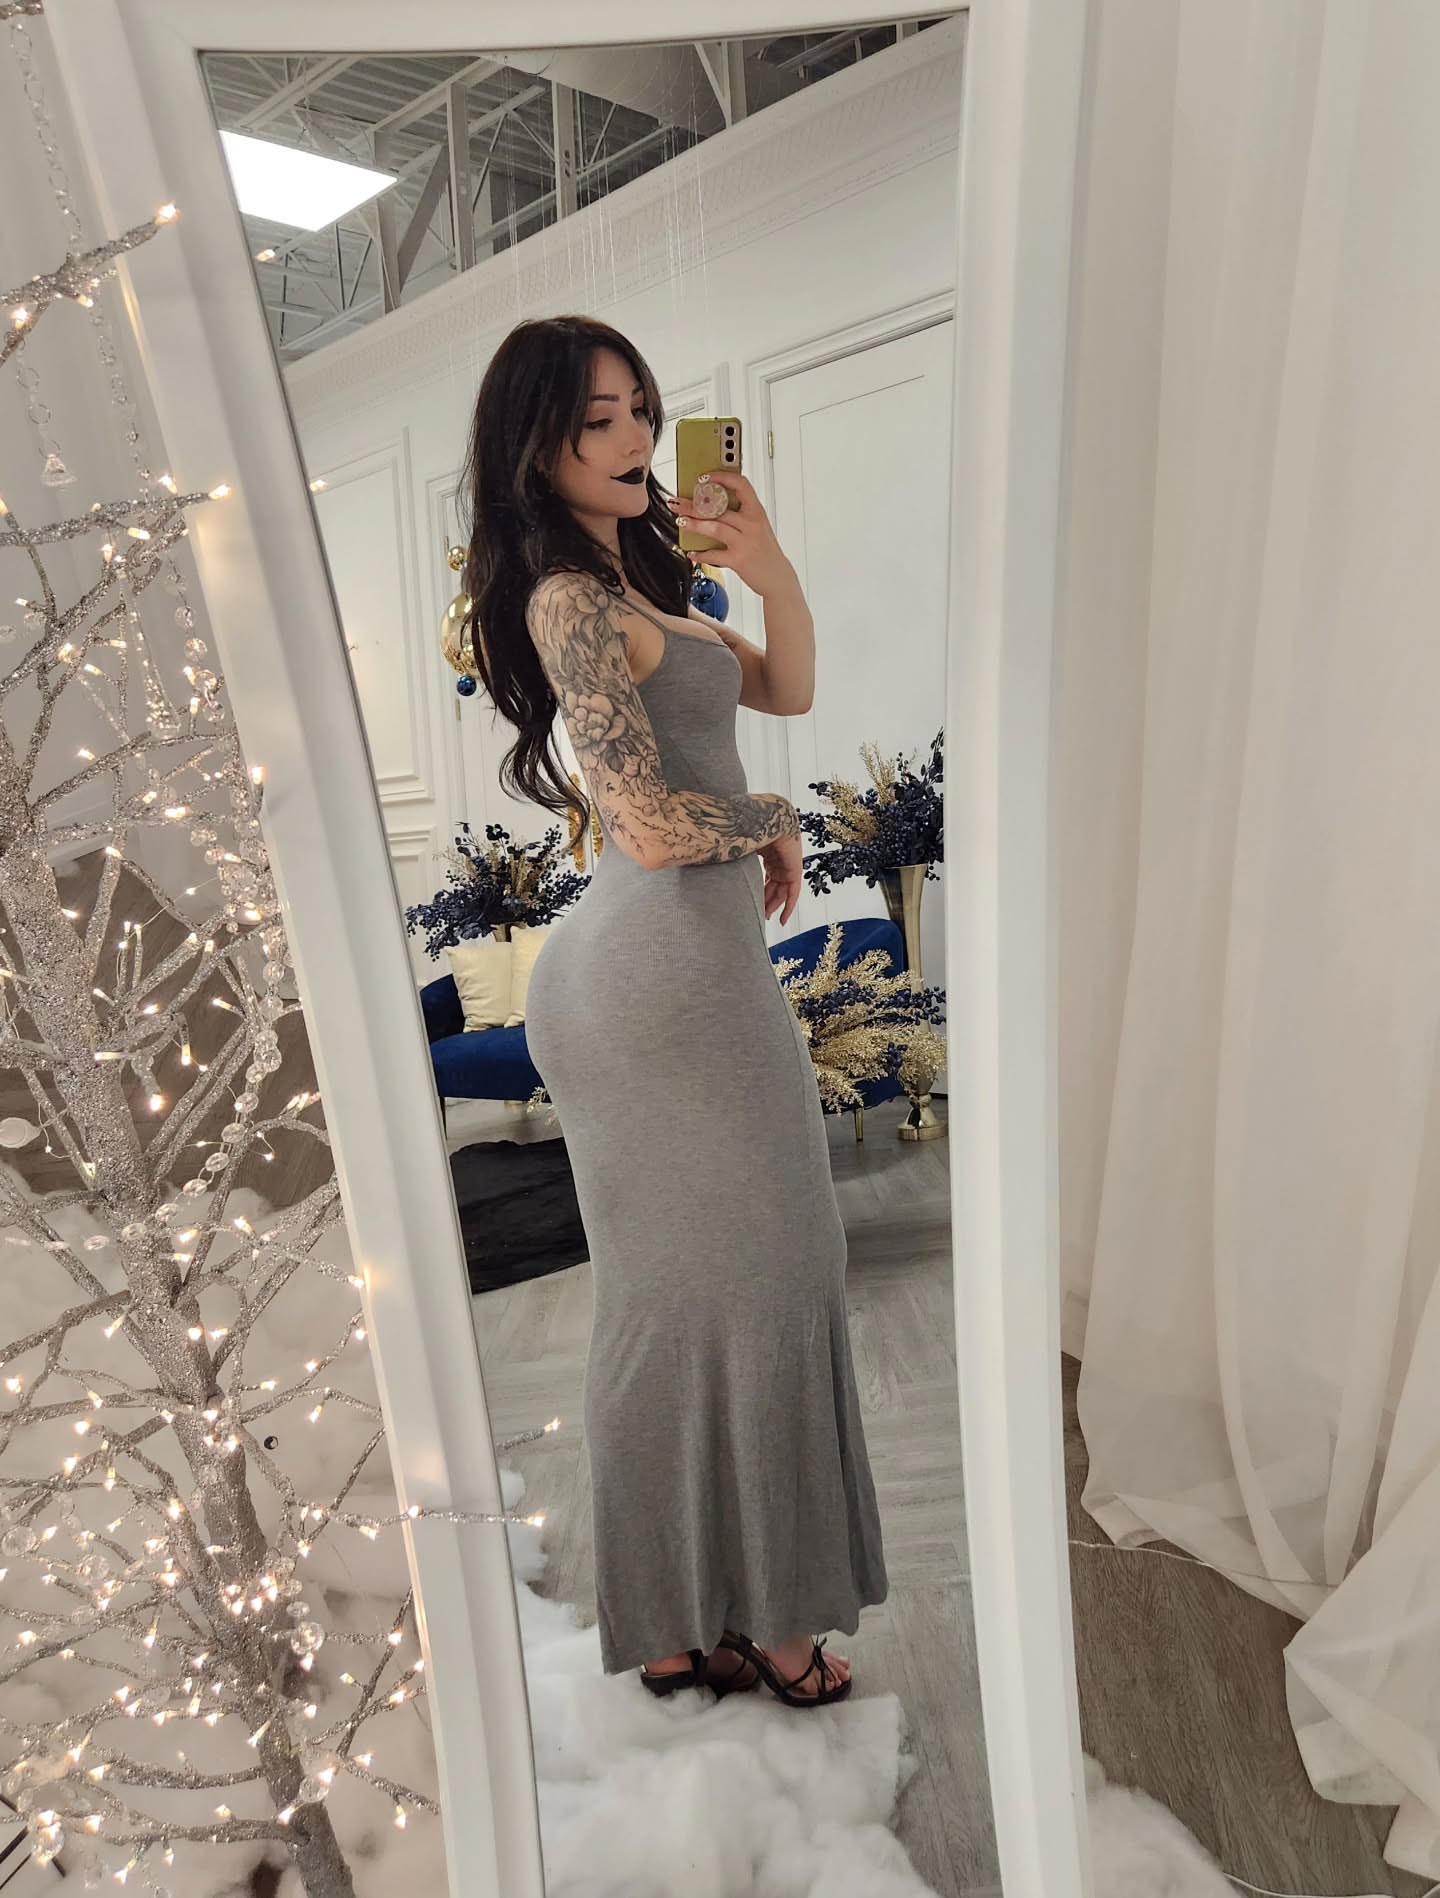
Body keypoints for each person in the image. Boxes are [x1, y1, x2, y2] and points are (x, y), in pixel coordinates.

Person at [458, 313, 888, 1708]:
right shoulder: (565, 602)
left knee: (722, 1285)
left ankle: (684, 1618)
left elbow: (791, 686)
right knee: (749, 1275)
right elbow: (644, 824)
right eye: (599, 420)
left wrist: (768, 566)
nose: (636, 437)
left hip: (687, 965)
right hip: (652, 983)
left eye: (641, 407)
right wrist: (767, 819)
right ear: (539, 447)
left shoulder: (641, 582)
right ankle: (749, 1619)